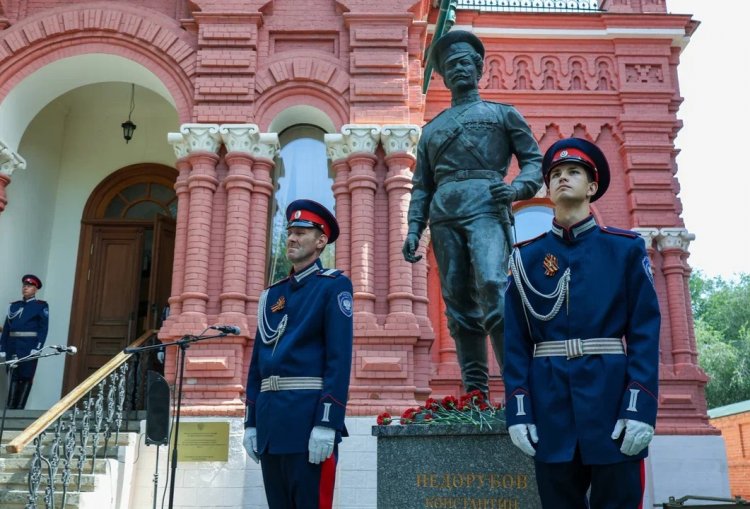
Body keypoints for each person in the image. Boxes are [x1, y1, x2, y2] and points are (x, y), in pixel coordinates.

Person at [503, 138, 661, 508]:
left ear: (591, 187)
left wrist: (639, 409)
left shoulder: (624, 249)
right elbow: (516, 343)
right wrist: (518, 409)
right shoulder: (526, 258)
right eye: (555, 173)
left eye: (573, 172)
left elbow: (644, 333)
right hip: (550, 406)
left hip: (611, 405)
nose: (562, 178)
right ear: (547, 187)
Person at [402, 29, 543, 396]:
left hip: (487, 204)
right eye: (451, 65)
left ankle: (519, 388)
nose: (459, 69)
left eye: (465, 62)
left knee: (494, 287)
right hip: (445, 212)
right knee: (459, 305)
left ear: (479, 68)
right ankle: (475, 392)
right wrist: (415, 228)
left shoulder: (502, 115)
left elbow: (533, 162)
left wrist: (516, 189)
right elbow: (421, 186)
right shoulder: (432, 131)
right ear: (444, 76)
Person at [243, 199, 354, 509]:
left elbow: (338, 360)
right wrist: (250, 423)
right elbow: (257, 366)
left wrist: (327, 423)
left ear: (320, 241)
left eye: (302, 232)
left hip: (308, 423)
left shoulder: (333, 287)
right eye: (290, 231)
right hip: (270, 423)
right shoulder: (272, 294)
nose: (291, 238)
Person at [0, 274, 49, 409]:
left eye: (29, 286)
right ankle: (9, 408)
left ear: (35, 289)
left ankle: (19, 409)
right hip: (12, 345)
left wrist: (37, 347)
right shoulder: (14, 306)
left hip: (29, 346)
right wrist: (2, 347)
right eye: (24, 286)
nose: (25, 288)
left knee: (26, 376)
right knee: (12, 376)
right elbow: (6, 329)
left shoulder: (40, 306)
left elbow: (43, 329)